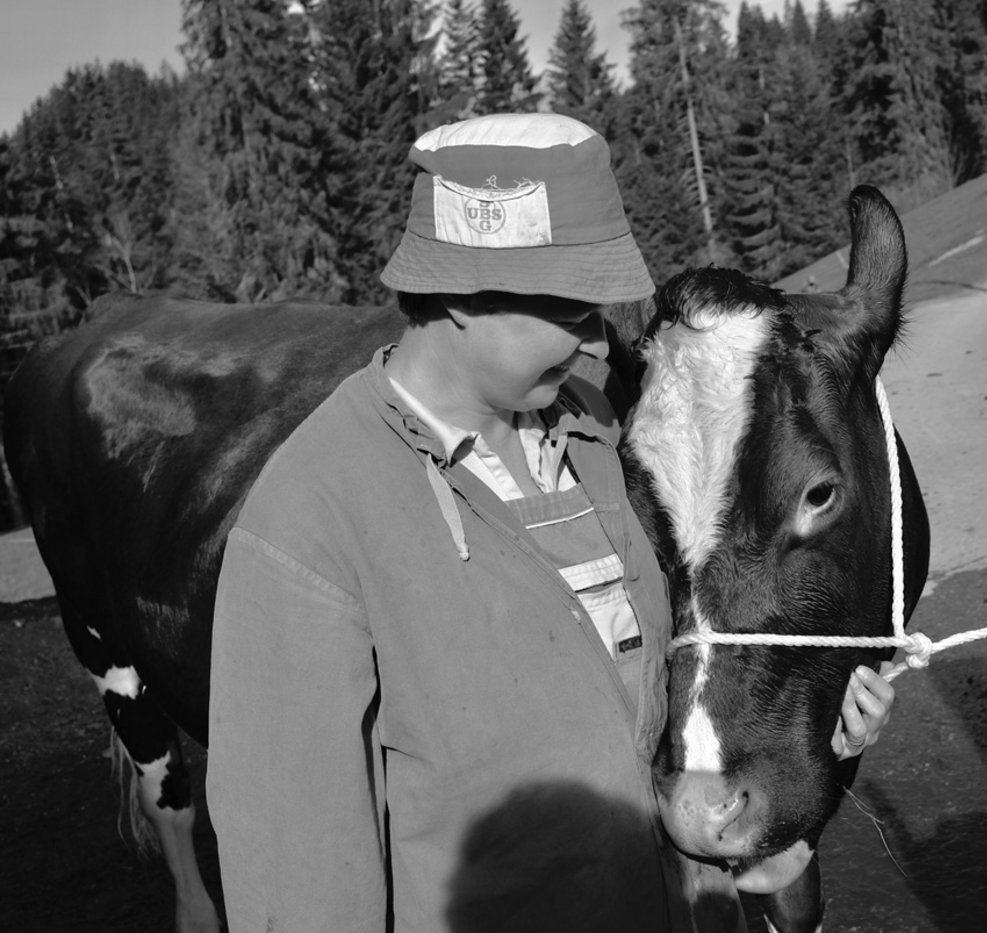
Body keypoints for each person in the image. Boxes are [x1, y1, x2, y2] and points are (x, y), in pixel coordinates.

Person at [206, 112, 894, 933]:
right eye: (570, 307)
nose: (596, 334)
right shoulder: (311, 523)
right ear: (461, 295)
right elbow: (298, 892)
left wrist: (809, 729)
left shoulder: (607, 435)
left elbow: (670, 693)